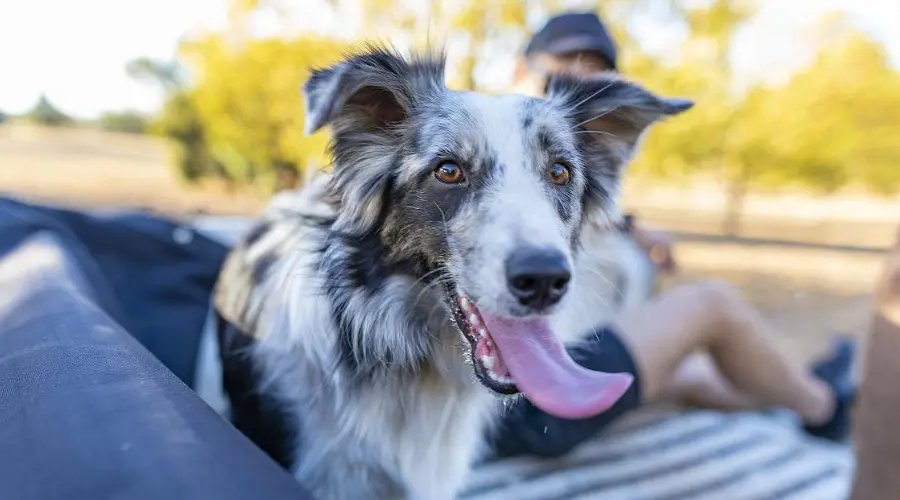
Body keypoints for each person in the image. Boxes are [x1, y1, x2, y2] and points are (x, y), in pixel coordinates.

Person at [489, 12, 857, 459]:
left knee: (693, 372)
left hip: (546, 379)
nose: (575, 94)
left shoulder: (569, 173)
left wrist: (629, 225)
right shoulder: (465, 143)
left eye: (594, 83)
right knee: (710, 305)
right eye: (560, 76)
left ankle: (801, 388)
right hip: (512, 398)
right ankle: (824, 409)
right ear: (518, 72)